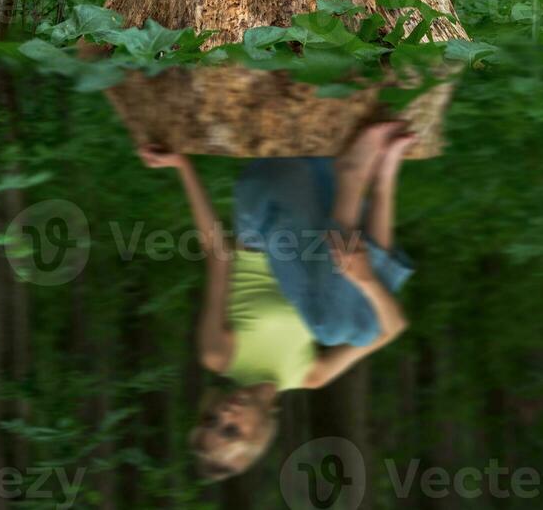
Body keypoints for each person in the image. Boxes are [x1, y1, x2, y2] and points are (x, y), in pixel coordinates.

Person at [137, 121, 416, 481]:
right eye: (231, 430)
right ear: (258, 437)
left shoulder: (219, 355)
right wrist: (365, 281)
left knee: (337, 327)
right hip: (317, 212)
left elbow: (218, 256)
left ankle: (355, 173)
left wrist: (183, 166)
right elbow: (394, 328)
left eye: (211, 419)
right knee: (367, 319)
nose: (225, 415)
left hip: (268, 207)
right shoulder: (309, 374)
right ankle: (384, 175)